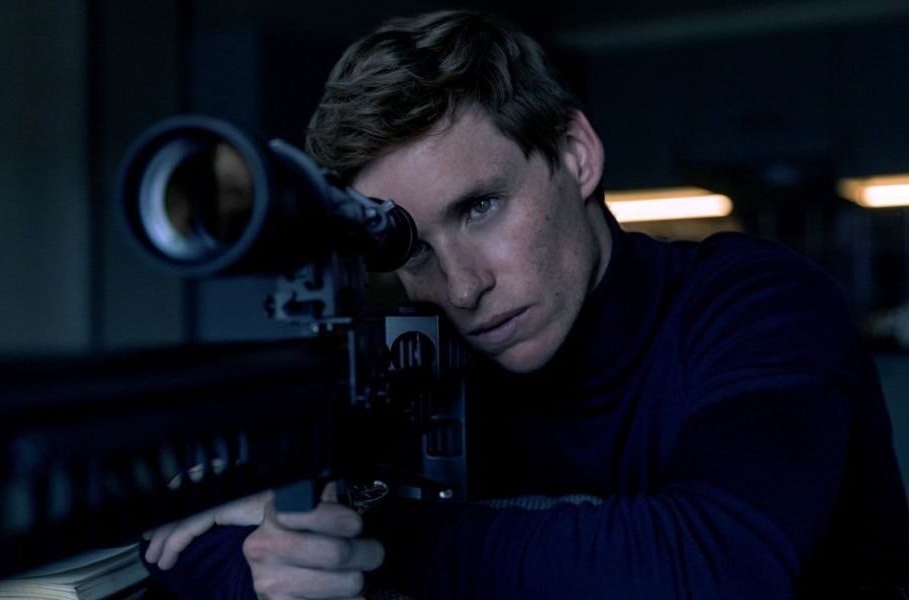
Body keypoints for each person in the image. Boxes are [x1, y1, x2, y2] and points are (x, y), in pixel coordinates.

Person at [142, 10, 909, 598]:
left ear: (576, 155)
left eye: (479, 208)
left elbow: (715, 567)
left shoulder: (758, 302)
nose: (462, 287)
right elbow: (187, 547)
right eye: (410, 245)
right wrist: (286, 547)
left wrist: (369, 537)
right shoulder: (418, 358)